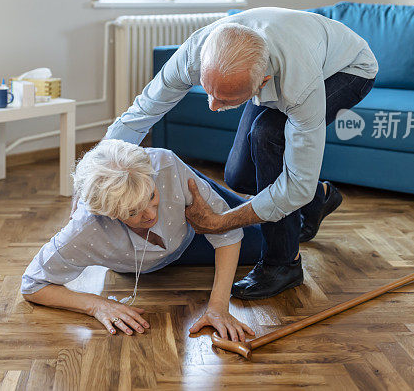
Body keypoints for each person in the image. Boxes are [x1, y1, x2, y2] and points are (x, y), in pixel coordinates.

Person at [104, 7, 378, 299]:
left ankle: (283, 264)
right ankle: (317, 200)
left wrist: (220, 222)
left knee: (268, 135)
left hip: (347, 68)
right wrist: (97, 173)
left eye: (225, 98)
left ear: (262, 83)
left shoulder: (300, 86)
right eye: (210, 91)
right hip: (278, 56)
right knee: (239, 175)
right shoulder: (193, 54)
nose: (212, 104)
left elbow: (297, 185)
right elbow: (142, 113)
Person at [21, 139, 263, 340]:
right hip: (147, 264)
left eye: (151, 195)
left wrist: (218, 307)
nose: (151, 215)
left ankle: (240, 198)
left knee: (270, 233)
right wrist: (96, 305)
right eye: (132, 212)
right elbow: (32, 285)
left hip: (194, 225)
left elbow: (227, 233)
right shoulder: (84, 229)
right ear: (109, 214)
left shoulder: (164, 165)